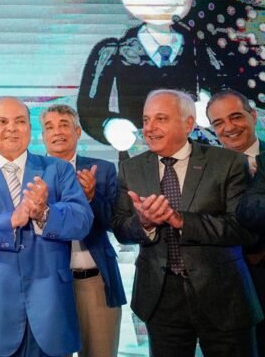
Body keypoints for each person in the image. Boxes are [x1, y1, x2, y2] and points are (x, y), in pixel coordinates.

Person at [111, 89, 261, 356]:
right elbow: (121, 228)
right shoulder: (130, 169)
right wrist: (144, 223)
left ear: (188, 123)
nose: (150, 128)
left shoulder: (227, 162)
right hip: (160, 299)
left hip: (224, 295)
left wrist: (182, 221)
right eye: (146, 120)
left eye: (161, 119)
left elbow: (242, 229)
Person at [0, 97, 93, 357]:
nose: (11, 128)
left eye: (20, 121)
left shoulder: (57, 169)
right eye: (2, 122)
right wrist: (11, 220)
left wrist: (44, 213)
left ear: (30, 128)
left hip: (50, 310)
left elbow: (82, 220)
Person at [77, 0, 221, 150]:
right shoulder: (112, 52)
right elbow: (91, 108)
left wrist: (209, 104)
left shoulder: (196, 47)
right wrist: (110, 126)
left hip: (194, 156)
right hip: (139, 159)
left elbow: (220, 88)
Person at [39, 104, 125, 357]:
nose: (57, 132)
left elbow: (116, 224)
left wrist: (91, 197)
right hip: (48, 284)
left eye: (64, 125)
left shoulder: (102, 170)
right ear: (43, 136)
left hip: (95, 281)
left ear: (77, 131)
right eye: (50, 127)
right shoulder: (31, 173)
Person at [207, 88, 265, 354]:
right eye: (218, 122)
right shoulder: (203, 169)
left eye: (236, 117)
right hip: (228, 290)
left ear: (253, 115)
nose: (229, 127)